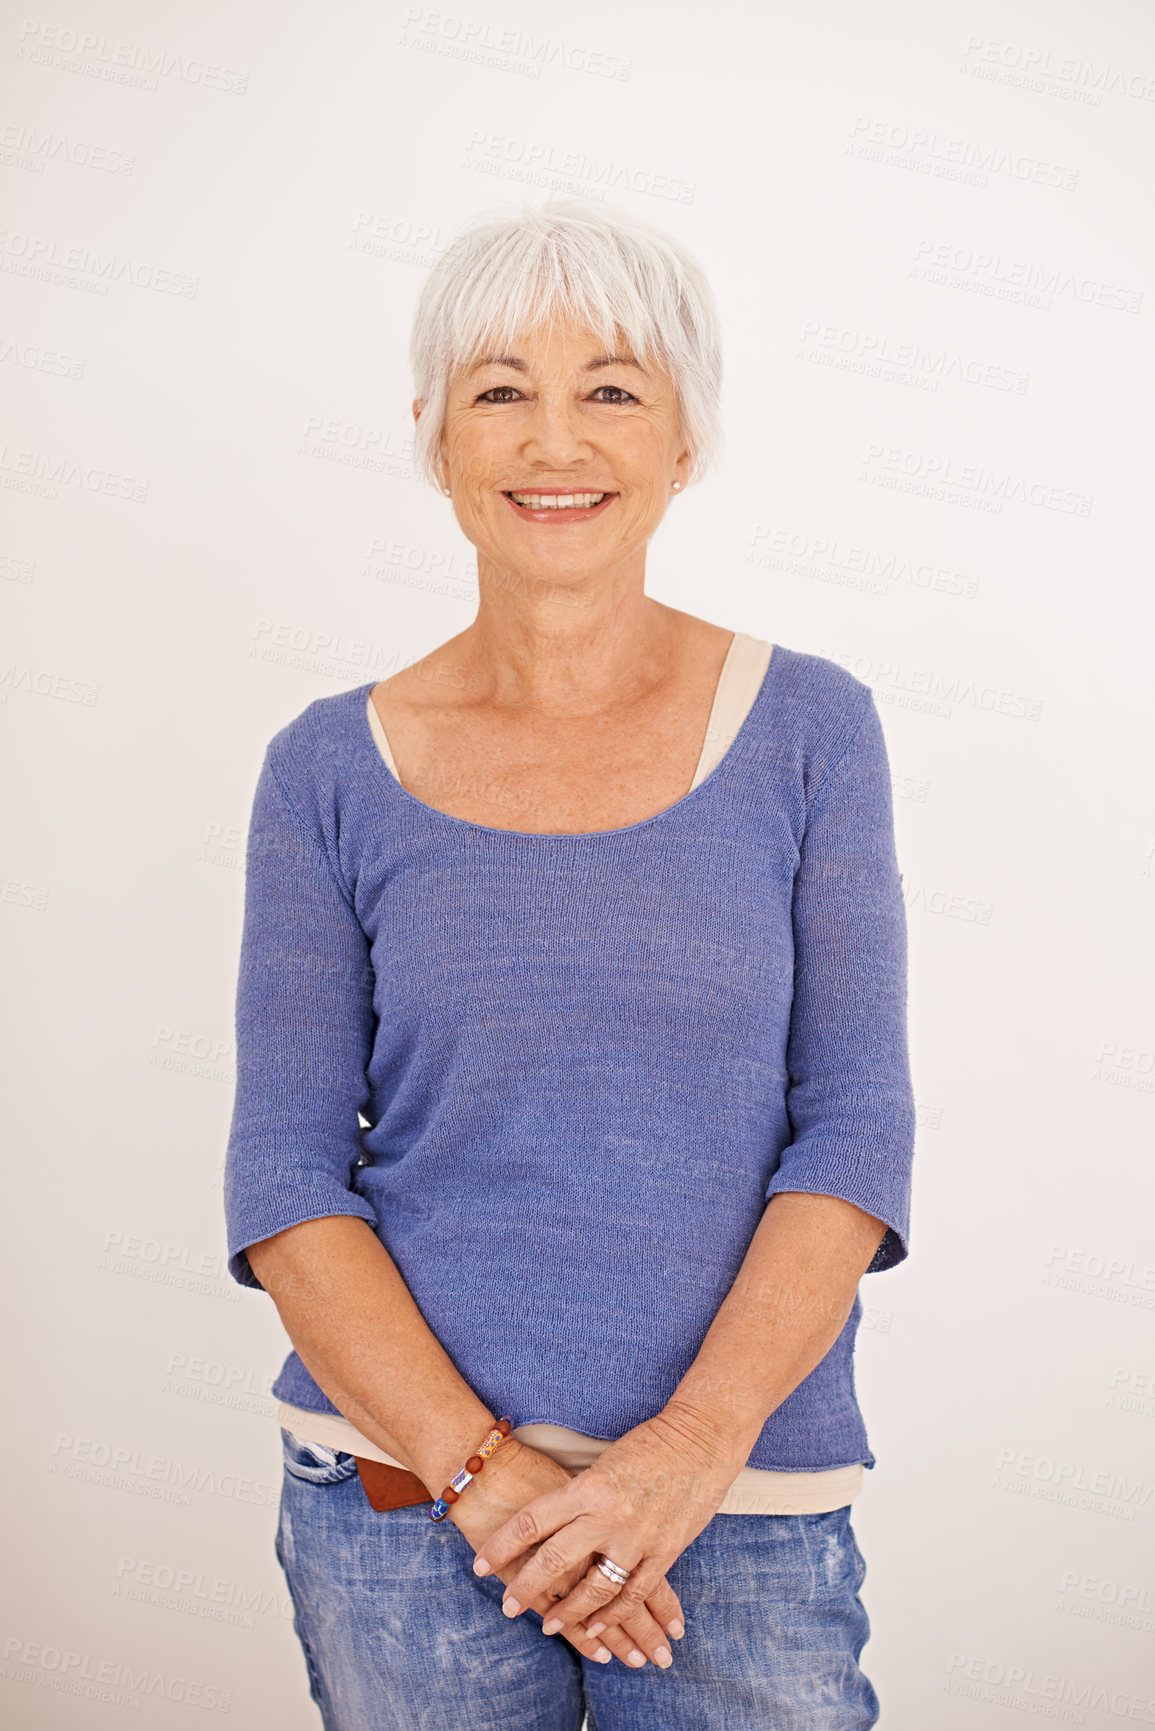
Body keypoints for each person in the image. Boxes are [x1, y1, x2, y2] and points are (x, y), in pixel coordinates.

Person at [223, 197, 915, 1730]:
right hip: (408, 1513)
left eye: (611, 389)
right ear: (433, 437)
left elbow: (857, 1132)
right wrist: (491, 1481)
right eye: (499, 391)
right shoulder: (326, 770)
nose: (555, 441)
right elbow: (284, 1180)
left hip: (742, 1513)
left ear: (685, 441)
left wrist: (682, 1454)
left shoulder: (812, 731)